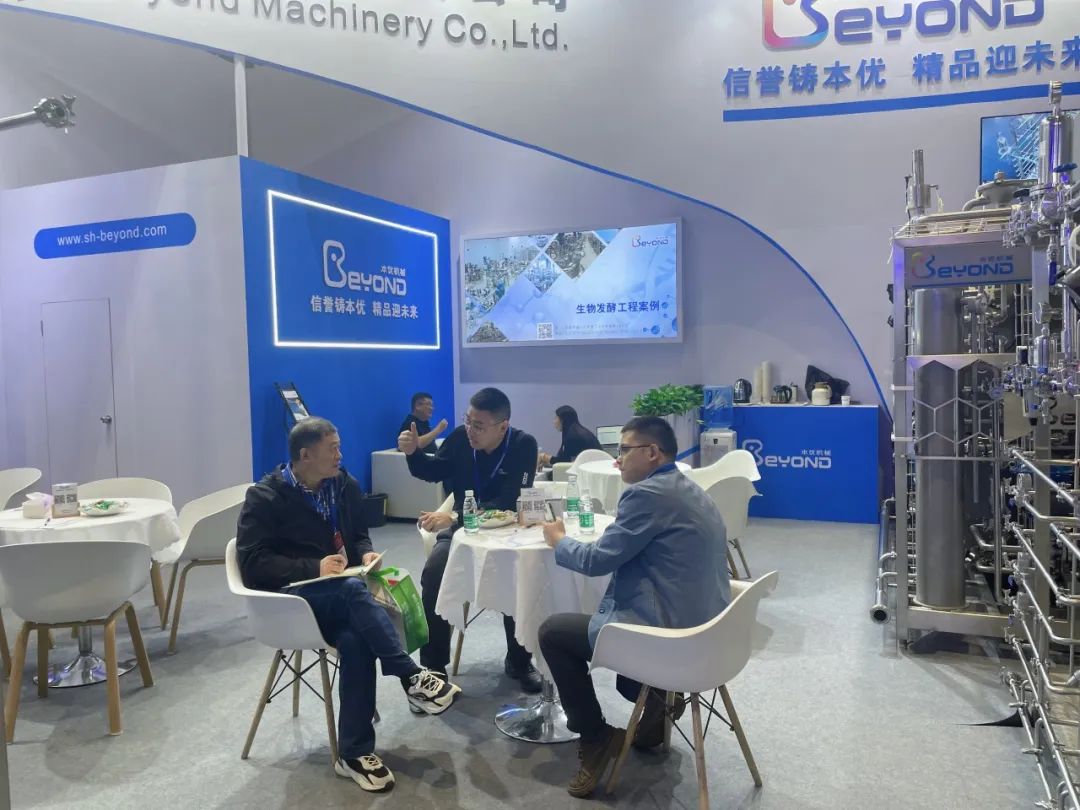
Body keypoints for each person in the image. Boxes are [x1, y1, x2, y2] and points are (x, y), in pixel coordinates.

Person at [237, 417, 461, 794]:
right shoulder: (265, 497)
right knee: (352, 592)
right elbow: (252, 563)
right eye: (332, 449)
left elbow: (357, 536)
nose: (340, 455)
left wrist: (365, 553)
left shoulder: (343, 484)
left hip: (340, 594)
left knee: (356, 638)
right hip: (289, 600)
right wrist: (313, 567)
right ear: (305, 456)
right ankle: (410, 675)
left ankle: (353, 753)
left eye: (339, 446)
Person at [538, 416, 731, 798]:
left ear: (652, 452)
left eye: (624, 450)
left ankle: (596, 737)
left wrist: (558, 540)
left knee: (553, 633)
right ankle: (656, 703)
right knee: (612, 642)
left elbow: (596, 561)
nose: (617, 460)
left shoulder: (647, 495)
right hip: (712, 634)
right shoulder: (691, 489)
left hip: (672, 640)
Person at [398, 387, 544, 694]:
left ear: (502, 426)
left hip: (508, 533)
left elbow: (510, 501)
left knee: (523, 575)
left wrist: (454, 516)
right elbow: (432, 470)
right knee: (434, 572)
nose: (470, 430)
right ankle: (434, 666)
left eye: (479, 425)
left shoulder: (523, 445)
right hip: (464, 533)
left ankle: (519, 661)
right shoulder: (460, 439)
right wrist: (413, 453)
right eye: (468, 421)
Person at [538, 405, 603, 468]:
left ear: (563, 420)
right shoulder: (576, 431)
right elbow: (564, 460)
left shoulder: (572, 437)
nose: (554, 422)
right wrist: (548, 461)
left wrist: (544, 457)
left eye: (556, 418)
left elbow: (563, 464)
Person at [398, 392, 448, 456]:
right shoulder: (410, 423)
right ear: (418, 406)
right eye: (428, 404)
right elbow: (415, 445)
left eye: (432, 405)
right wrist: (438, 429)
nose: (432, 408)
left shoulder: (424, 422)